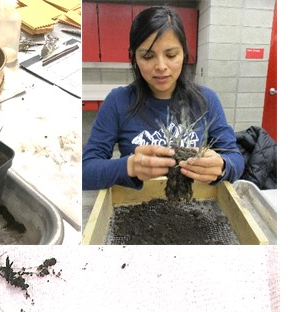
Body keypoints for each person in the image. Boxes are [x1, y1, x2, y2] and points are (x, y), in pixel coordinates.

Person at [82, 6, 242, 192]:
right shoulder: (118, 102)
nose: (161, 66)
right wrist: (130, 166)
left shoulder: (206, 100)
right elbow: (86, 172)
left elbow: (235, 159)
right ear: (133, 57)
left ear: (184, 54)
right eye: (148, 56)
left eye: (171, 55)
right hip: (138, 203)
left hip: (191, 202)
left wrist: (223, 166)